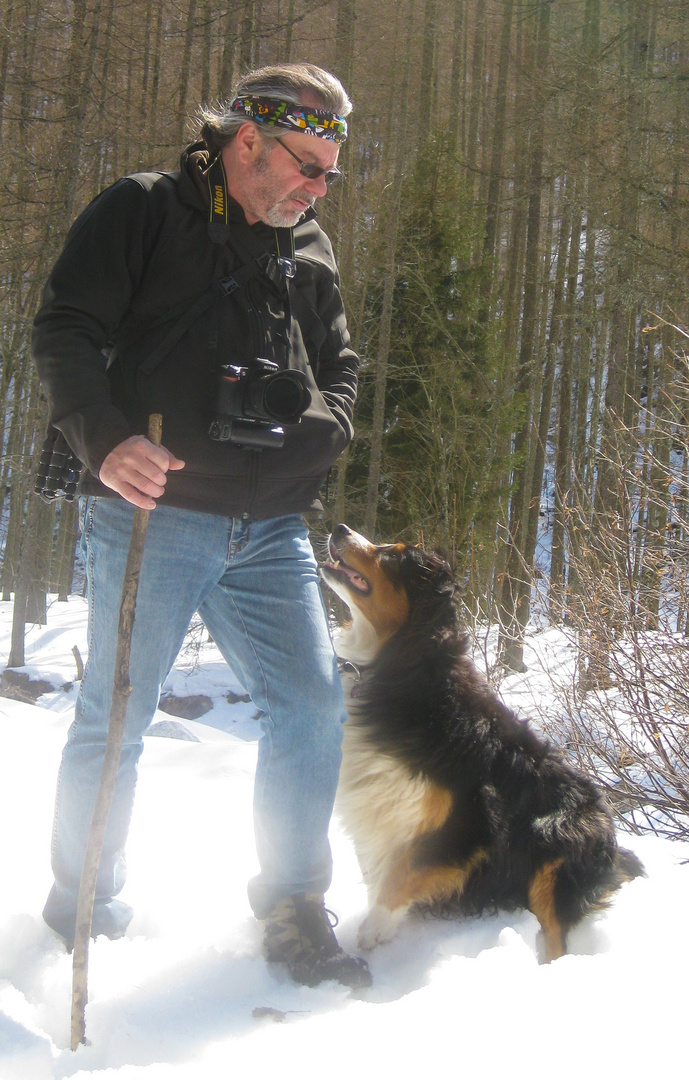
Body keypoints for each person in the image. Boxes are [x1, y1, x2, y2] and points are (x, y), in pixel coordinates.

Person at [32, 63, 371, 990]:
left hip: (269, 528)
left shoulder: (306, 244)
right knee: (117, 717)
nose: (317, 188)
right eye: (306, 164)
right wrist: (102, 440)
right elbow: (62, 327)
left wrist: (324, 432)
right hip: (152, 511)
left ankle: (295, 905)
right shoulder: (143, 209)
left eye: (331, 174)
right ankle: (86, 911)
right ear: (245, 140)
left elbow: (342, 367)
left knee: (310, 708)